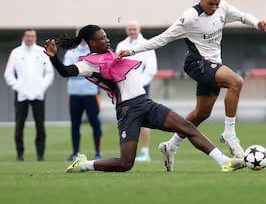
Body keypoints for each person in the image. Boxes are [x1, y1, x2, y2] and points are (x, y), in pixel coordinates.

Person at [43, 24, 244, 173]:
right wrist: (53, 57)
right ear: (92, 43)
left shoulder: (112, 53)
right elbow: (66, 72)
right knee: (125, 164)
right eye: (103, 38)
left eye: (106, 37)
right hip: (128, 111)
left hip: (145, 103)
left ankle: (225, 162)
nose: (107, 40)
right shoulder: (89, 64)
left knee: (187, 127)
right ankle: (84, 165)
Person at [117, 0, 266, 172]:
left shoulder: (222, 8)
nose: (214, 7)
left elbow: (242, 16)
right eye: (210, 4)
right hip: (197, 63)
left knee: (201, 113)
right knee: (236, 81)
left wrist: (257, 23)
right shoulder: (189, 18)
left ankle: (170, 146)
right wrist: (132, 50)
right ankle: (229, 134)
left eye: (216, 3)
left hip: (213, 64)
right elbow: (162, 38)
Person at [4, 28, 54, 161]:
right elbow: (8, 73)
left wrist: (42, 87)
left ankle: (40, 155)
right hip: (21, 95)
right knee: (19, 126)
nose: (30, 38)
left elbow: (49, 73)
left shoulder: (42, 52)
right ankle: (20, 155)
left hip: (38, 94)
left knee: (40, 126)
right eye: (28, 36)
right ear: (24, 37)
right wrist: (18, 86)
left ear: (35, 37)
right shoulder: (16, 53)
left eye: (32, 36)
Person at [115, 20, 157, 162]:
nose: (132, 31)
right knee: (125, 117)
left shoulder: (147, 44)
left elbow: (151, 68)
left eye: (134, 29)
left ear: (139, 29)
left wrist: (140, 83)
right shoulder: (121, 45)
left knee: (144, 119)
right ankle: (126, 152)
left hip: (142, 87)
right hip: (125, 88)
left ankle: (145, 152)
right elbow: (116, 65)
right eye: (130, 29)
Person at [63, 38, 103, 161]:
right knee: (75, 124)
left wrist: (80, 71)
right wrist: (86, 72)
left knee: (95, 122)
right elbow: (68, 71)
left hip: (91, 93)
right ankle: (75, 152)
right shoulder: (70, 52)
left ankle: (98, 152)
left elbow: (97, 70)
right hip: (74, 93)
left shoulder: (95, 52)